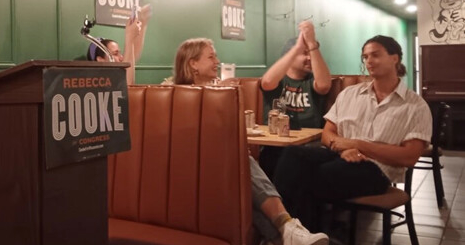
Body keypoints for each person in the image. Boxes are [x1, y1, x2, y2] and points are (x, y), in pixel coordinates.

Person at [172, 38, 329, 245]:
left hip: (217, 163)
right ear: (193, 64)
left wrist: (223, 98)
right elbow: (188, 136)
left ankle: (281, 235)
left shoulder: (217, 91)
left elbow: (224, 133)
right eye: (211, 57)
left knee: (243, 177)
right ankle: (286, 227)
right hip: (187, 164)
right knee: (243, 163)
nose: (217, 61)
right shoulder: (175, 93)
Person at [272, 35, 432, 232]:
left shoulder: (415, 106)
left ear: (395, 58)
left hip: (377, 171)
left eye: (375, 55)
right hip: (338, 156)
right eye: (365, 57)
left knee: (309, 176)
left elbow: (409, 157)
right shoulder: (350, 94)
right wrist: (341, 149)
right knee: (291, 154)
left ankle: (289, 232)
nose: (368, 61)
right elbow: (327, 134)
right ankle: (297, 233)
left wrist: (359, 145)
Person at [258, 20, 331, 177]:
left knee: (294, 158)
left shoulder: (313, 80)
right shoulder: (279, 81)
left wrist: (312, 45)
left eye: (310, 53)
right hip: (275, 145)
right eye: (305, 54)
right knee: (270, 156)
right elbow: (267, 82)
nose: (310, 58)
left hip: (308, 145)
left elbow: (324, 85)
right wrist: (298, 47)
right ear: (289, 56)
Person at [86, 4, 151, 85]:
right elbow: (127, 86)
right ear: (100, 60)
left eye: (119, 53)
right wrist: (129, 36)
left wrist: (143, 22)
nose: (121, 57)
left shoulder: (117, 70)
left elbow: (133, 56)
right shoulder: (99, 82)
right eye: (115, 54)